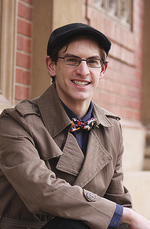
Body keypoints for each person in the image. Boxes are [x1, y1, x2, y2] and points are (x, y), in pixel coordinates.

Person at [0, 23, 150, 229]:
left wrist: (125, 217)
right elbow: (43, 193)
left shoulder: (111, 128)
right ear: (51, 65)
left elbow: (118, 201)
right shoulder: (16, 122)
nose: (83, 70)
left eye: (92, 61)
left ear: (103, 69)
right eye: (72, 60)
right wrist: (127, 216)